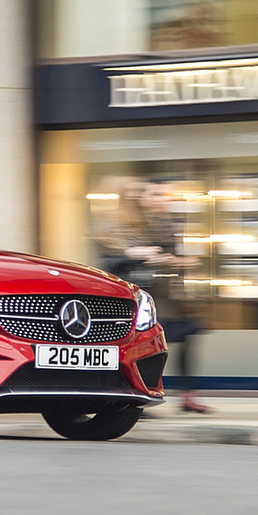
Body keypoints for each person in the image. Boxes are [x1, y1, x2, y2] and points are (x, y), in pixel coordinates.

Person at [92, 177, 213, 414]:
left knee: (183, 338)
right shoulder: (113, 223)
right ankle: (134, 394)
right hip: (137, 293)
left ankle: (181, 395)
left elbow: (163, 253)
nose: (143, 198)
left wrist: (174, 261)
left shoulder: (153, 221)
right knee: (140, 344)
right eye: (151, 195)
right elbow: (111, 258)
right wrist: (137, 254)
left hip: (165, 293)